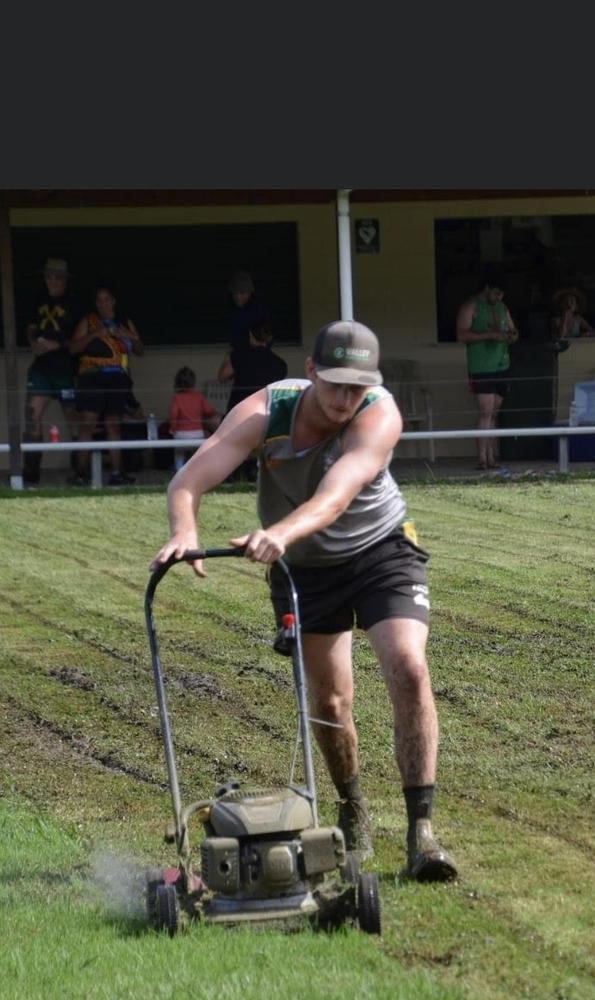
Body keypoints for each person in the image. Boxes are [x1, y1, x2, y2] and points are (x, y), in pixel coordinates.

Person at [151, 320, 458, 883]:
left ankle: (422, 832)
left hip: (380, 551)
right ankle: (353, 806)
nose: (345, 399)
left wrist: (281, 534)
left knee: (410, 668)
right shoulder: (268, 411)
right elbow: (188, 480)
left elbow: (336, 496)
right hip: (308, 572)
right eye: (336, 384)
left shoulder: (380, 414)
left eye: (357, 387)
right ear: (311, 371)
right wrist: (184, 530)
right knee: (332, 702)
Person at [69, 285, 144, 486]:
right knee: (87, 424)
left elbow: (139, 349)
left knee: (114, 424)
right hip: (91, 377)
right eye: (99, 300)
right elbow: (73, 348)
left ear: (113, 301)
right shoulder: (89, 321)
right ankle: (81, 473)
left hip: (117, 379)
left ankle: (117, 472)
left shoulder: (124, 322)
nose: (103, 304)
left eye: (107, 299)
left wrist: (129, 337)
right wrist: (96, 334)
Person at [22, 257, 81, 486]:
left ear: (65, 280)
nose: (52, 281)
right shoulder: (37, 299)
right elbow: (30, 328)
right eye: (48, 277)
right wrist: (33, 343)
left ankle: (79, 473)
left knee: (74, 421)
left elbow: (80, 340)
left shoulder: (75, 304)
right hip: (41, 368)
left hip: (66, 369)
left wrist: (59, 345)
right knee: (32, 416)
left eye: (57, 277)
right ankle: (30, 477)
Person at [456, 268, 519, 471]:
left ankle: (492, 456)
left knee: (494, 413)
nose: (498, 297)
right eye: (495, 293)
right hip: (481, 366)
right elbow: (462, 335)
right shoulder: (471, 307)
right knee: (485, 411)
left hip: (502, 364)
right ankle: (482, 458)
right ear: (486, 289)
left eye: (501, 294)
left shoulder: (502, 307)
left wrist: (511, 336)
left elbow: (513, 330)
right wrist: (489, 336)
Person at [217, 321, 288, 481]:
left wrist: (228, 356)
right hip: (266, 414)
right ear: (269, 338)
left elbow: (221, 377)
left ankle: (235, 469)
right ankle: (254, 468)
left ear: (250, 336)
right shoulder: (280, 364)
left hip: (237, 413)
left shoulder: (237, 356)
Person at [169, 366, 222, 472]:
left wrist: (172, 428)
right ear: (193, 382)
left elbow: (174, 415)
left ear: (177, 382)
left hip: (181, 434)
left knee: (179, 454)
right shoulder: (198, 396)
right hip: (197, 434)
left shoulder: (177, 398)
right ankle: (197, 472)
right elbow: (209, 410)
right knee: (196, 456)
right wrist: (217, 413)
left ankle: (178, 471)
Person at [225, 271, 269, 351]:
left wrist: (261, 343)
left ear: (250, 293)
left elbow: (268, 336)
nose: (238, 297)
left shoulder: (258, 310)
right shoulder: (230, 310)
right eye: (235, 293)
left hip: (258, 351)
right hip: (239, 352)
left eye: (242, 293)